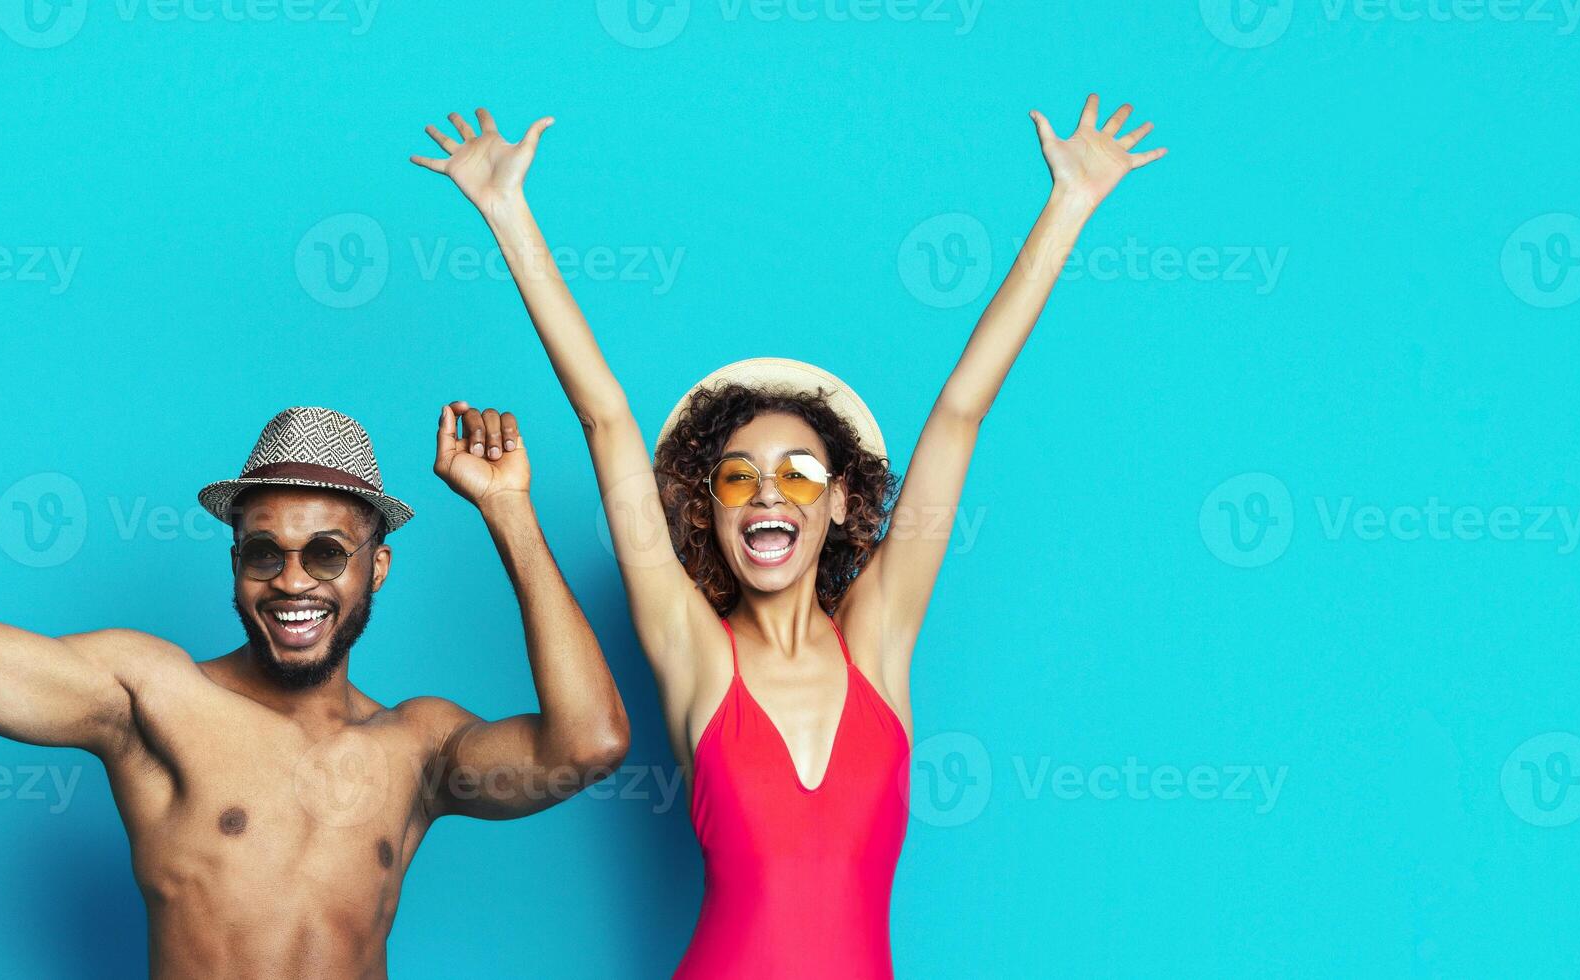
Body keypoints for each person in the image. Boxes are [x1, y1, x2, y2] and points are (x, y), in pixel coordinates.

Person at [409, 95, 1166, 977]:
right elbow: (605, 418)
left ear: (840, 503)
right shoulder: (692, 649)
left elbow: (961, 411)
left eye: (798, 474)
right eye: (739, 477)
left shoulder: (879, 639)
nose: (768, 493)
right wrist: (507, 211)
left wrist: (1068, 204)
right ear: (709, 510)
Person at [0, 259, 629, 979]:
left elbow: (588, 742)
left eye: (326, 554)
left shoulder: (417, 748)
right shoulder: (151, 698)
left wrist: (507, 511)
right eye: (263, 553)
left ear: (376, 568)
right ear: (235, 561)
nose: (291, 581)